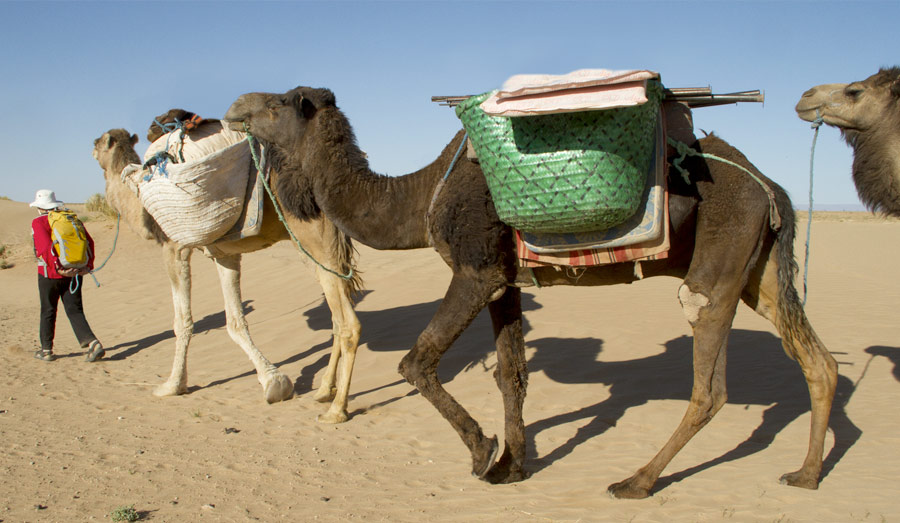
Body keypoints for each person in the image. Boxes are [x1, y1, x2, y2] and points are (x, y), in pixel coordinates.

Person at [29, 189, 105, 362]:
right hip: (76, 272)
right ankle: (93, 344)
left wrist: (57, 269)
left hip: (50, 275)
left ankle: (46, 350)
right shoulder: (71, 219)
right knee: (75, 310)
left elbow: (44, 247)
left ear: (40, 207)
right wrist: (88, 266)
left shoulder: (39, 221)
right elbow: (89, 242)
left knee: (48, 310)